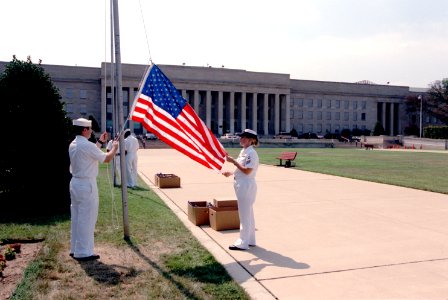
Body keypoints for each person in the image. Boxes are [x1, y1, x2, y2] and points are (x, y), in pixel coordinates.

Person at [69, 118, 118, 261]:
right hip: (86, 185)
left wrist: (100, 143)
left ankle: (75, 248)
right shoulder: (86, 145)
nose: (91, 131)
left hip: (76, 183)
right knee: (87, 218)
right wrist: (114, 147)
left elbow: (90, 153)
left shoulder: (73, 144)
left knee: (77, 217)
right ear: (84, 130)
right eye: (89, 129)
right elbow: (106, 159)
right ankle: (84, 252)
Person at [222, 129, 260, 251]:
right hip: (242, 183)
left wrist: (233, 162)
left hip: (246, 185)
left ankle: (243, 242)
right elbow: (242, 169)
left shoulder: (251, 153)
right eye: (241, 137)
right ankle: (250, 240)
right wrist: (232, 172)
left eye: (244, 137)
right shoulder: (244, 151)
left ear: (251, 140)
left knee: (244, 214)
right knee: (248, 213)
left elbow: (248, 171)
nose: (241, 139)